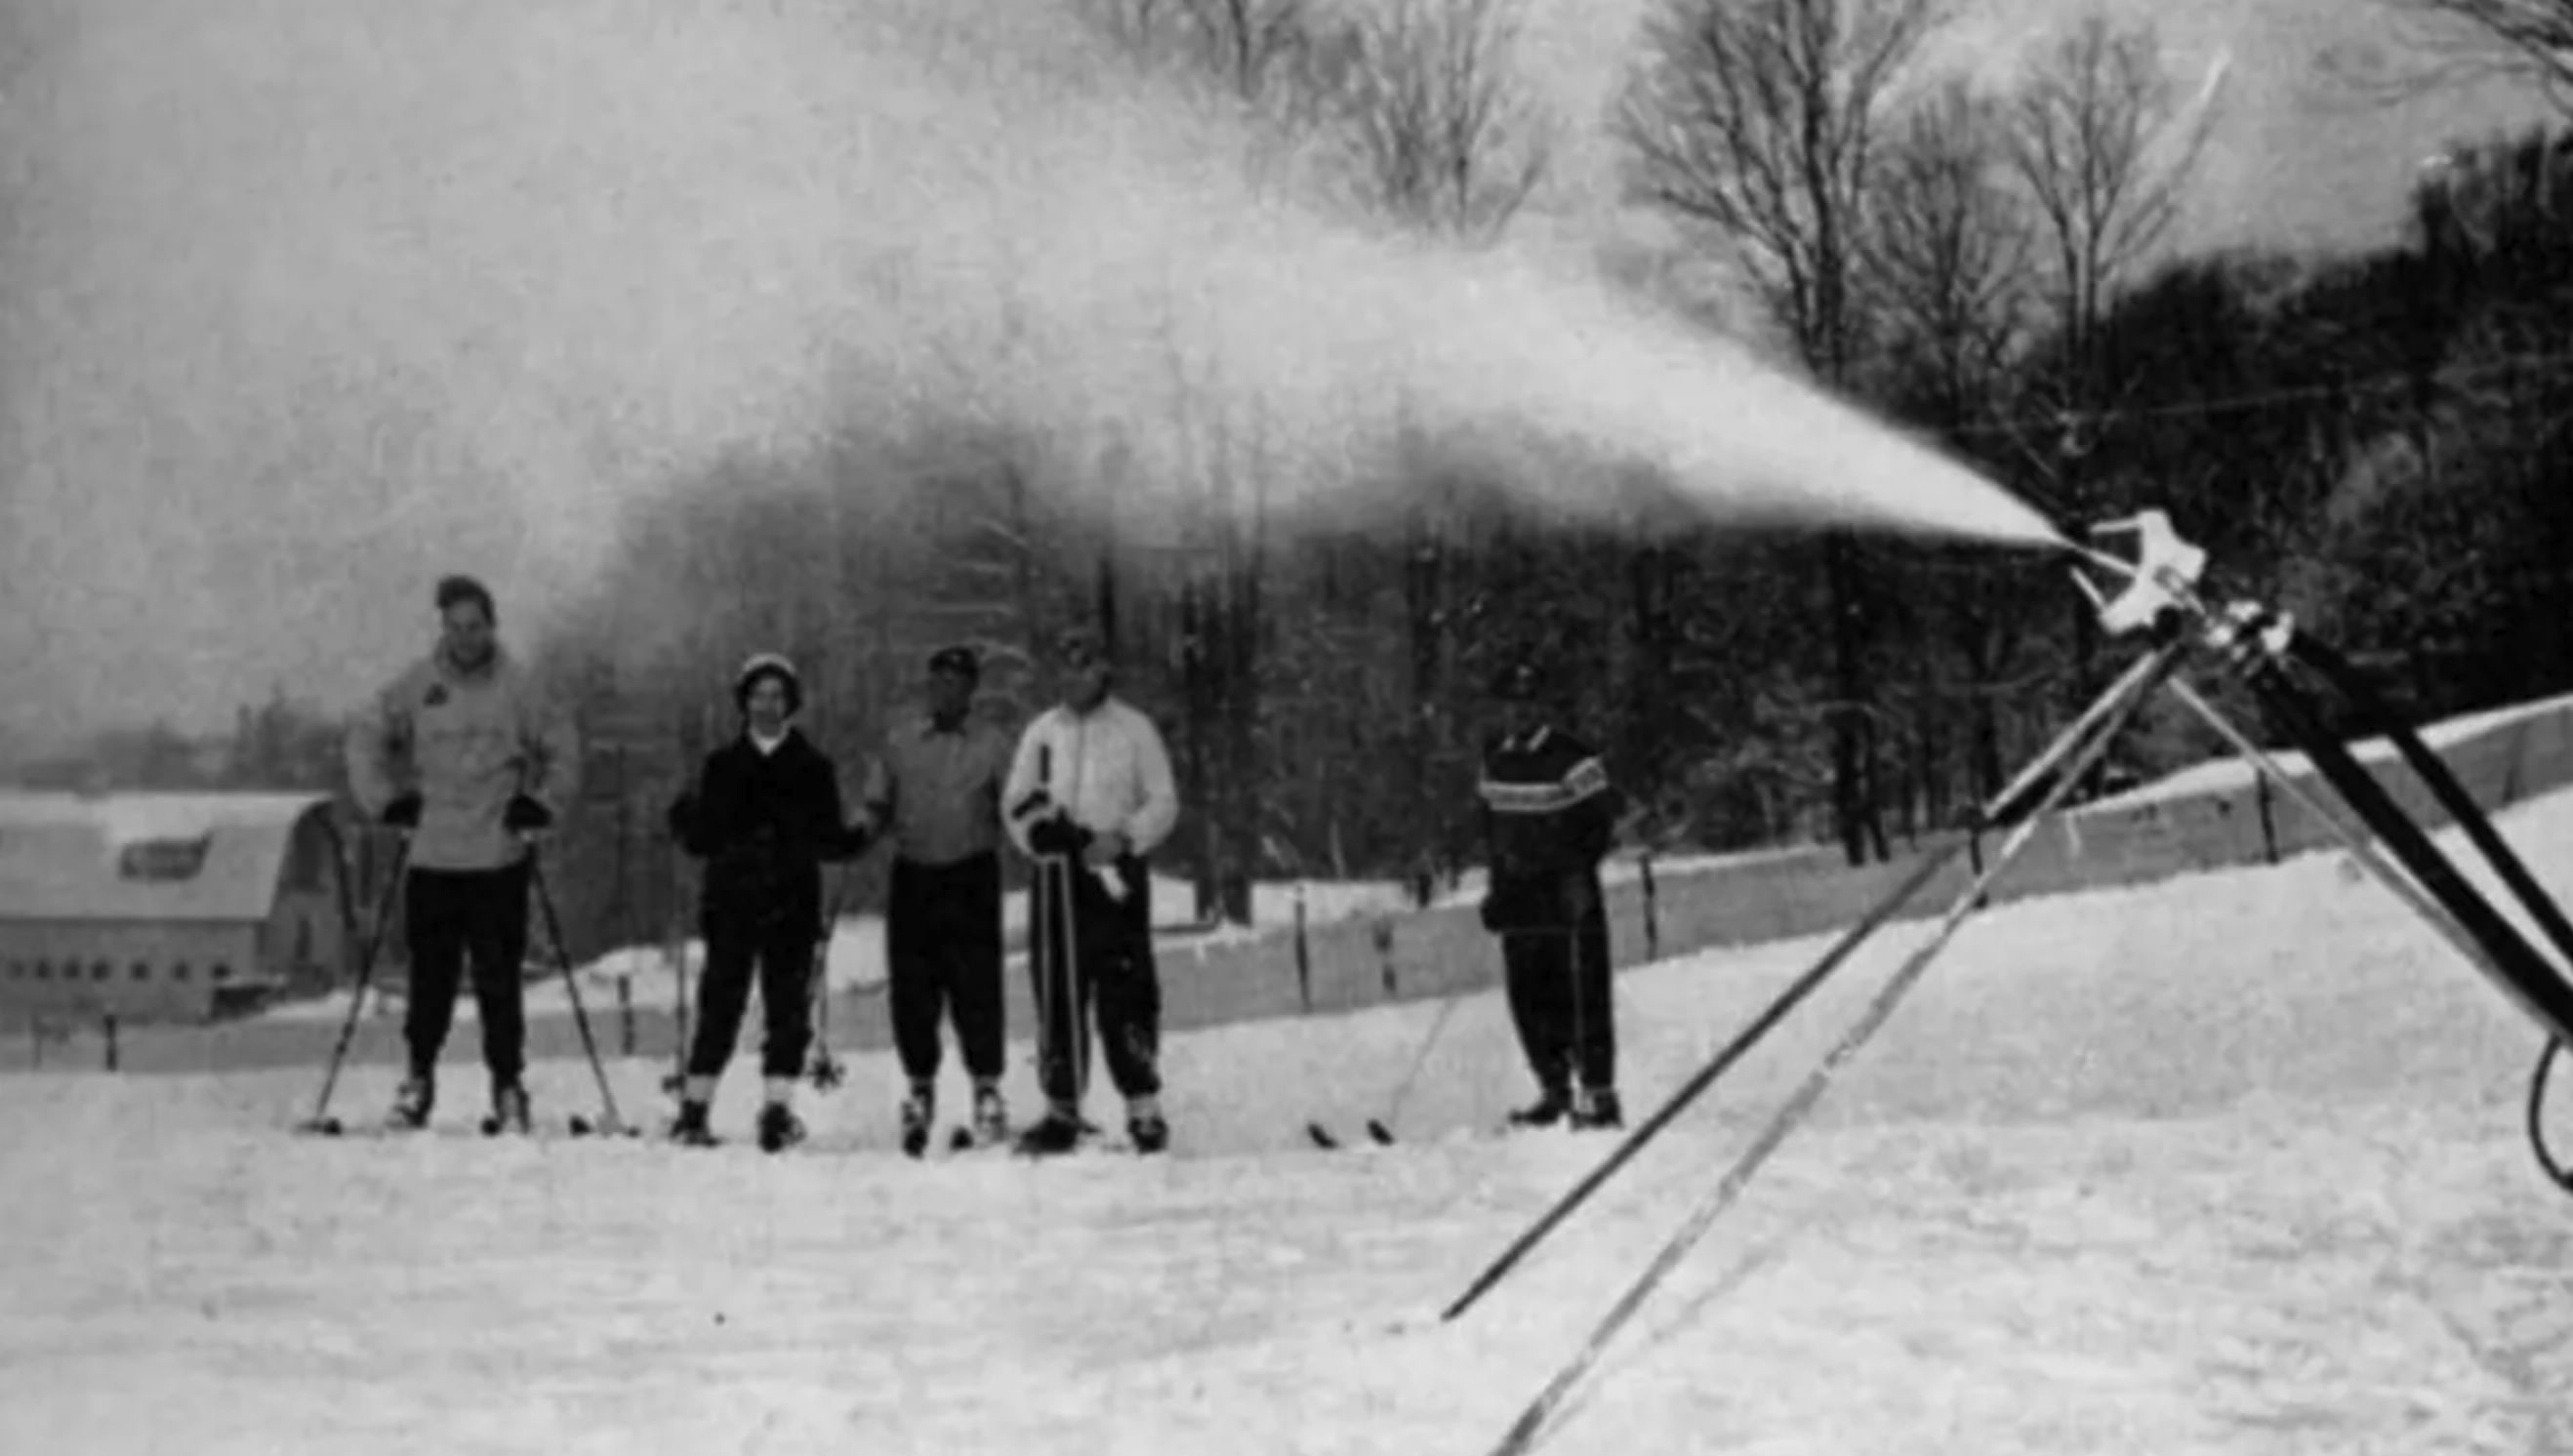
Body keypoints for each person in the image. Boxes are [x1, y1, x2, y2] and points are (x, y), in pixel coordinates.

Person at [346, 574, 580, 1135]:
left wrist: (542, 805)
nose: (466, 638)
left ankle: (508, 1087)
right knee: (431, 982)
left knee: (501, 980)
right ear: (443, 629)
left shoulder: (521, 688)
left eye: (475, 626)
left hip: (498, 855)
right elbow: (364, 737)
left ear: (491, 626)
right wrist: (384, 802)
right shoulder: (418, 686)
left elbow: (564, 746)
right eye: (455, 627)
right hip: (432, 856)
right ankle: (418, 1081)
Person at [665, 653, 867, 1153]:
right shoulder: (722, 765)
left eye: (777, 696)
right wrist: (683, 821)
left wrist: (854, 839)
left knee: (788, 1008)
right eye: (758, 696)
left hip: (792, 904)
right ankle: (695, 1107)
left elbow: (826, 837)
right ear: (744, 702)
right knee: (720, 1005)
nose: (767, 706)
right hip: (732, 902)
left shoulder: (813, 767)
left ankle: (777, 1108)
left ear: (791, 703)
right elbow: (704, 839)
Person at [1001, 622, 1180, 1156]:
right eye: (1064, 666)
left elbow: (1164, 801)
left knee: (1125, 989)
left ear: (1103, 669)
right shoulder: (1042, 732)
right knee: (1058, 988)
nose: (1073, 677)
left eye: (1084, 665)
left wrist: (1123, 839)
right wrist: (1039, 834)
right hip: (1058, 879)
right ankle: (1062, 1107)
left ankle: (1143, 1107)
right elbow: (1016, 798)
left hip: (1116, 875)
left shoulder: (1134, 729)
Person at [854, 643, 1017, 1155]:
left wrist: (1039, 833)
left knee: (977, 986)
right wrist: (856, 832)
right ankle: (920, 1090)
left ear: (971, 689)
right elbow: (876, 802)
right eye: (940, 679)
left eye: (959, 681)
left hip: (972, 875)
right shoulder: (901, 741)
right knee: (913, 990)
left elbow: (1014, 804)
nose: (948, 689)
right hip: (915, 877)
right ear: (930, 686)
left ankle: (986, 1090)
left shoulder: (993, 743)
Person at [1477, 658, 1624, 1131]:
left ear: (1542, 707)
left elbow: (1598, 825)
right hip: (1520, 896)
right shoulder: (1496, 759)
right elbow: (1493, 829)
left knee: (1579, 995)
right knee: (1528, 997)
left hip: (1565, 893)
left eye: (1528, 704)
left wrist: (1576, 876)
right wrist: (1496, 891)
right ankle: (1553, 1088)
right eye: (1511, 705)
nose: (1519, 714)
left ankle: (1598, 1095)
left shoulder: (1572, 757)